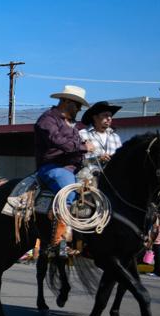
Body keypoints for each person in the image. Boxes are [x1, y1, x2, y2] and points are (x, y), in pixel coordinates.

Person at [34, 85, 93, 258]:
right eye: (77, 105)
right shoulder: (47, 120)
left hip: (74, 168)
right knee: (69, 188)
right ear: (66, 101)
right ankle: (58, 242)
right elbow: (58, 142)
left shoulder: (71, 125)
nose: (79, 109)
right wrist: (83, 147)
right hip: (52, 167)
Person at [78, 101, 123, 173]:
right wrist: (98, 159)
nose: (109, 118)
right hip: (89, 179)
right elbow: (77, 161)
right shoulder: (82, 134)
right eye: (105, 115)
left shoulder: (115, 137)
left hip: (112, 179)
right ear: (95, 117)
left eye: (110, 116)